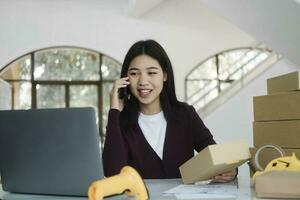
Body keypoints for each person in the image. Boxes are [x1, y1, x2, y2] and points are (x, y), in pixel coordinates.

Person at [102, 39, 236, 182]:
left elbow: (216, 157)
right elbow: (112, 173)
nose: (142, 81)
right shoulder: (120, 121)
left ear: (165, 75)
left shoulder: (185, 115)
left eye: (152, 73)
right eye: (134, 74)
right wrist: (114, 111)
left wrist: (231, 170)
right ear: (126, 78)